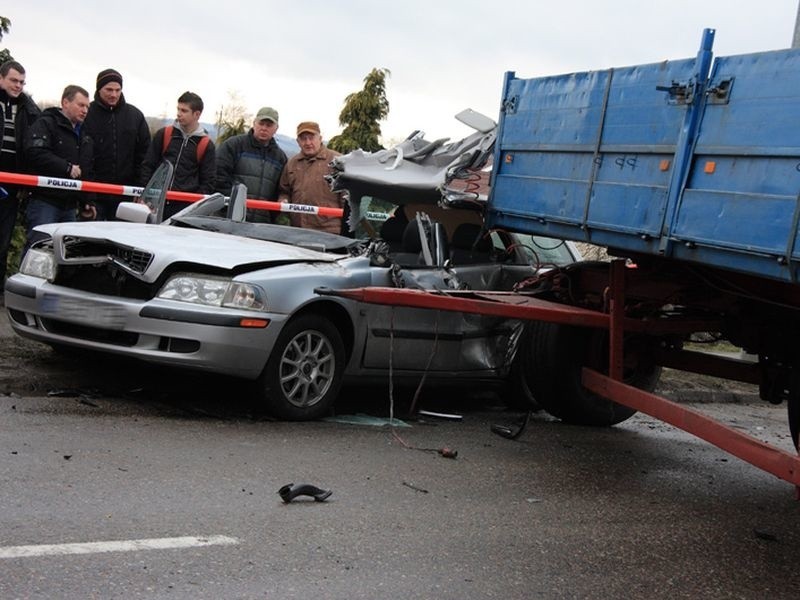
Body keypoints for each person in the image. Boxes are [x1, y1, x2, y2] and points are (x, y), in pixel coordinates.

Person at [24, 85, 94, 252]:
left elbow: (86, 169)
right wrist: (66, 167)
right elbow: (35, 153)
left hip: (70, 206)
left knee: (64, 252)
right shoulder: (46, 124)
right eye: (81, 105)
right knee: (38, 249)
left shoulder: (85, 134)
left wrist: (87, 200)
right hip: (45, 201)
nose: (85, 110)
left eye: (87, 107)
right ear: (65, 102)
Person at [82, 68, 151, 220]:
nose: (114, 94)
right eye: (109, 90)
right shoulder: (87, 113)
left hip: (126, 195)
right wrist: (88, 196)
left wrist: (140, 190)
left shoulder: (135, 116)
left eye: (117, 90)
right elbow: (83, 157)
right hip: (95, 194)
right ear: (99, 89)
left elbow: (145, 156)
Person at [141, 91, 215, 219]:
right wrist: (145, 195)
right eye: (178, 109)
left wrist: (193, 207)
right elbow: (148, 165)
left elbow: (208, 182)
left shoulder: (206, 144)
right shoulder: (164, 134)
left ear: (197, 114)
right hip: (154, 203)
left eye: (184, 110)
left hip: (184, 209)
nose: (179, 114)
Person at [0, 60, 41, 284]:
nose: (18, 86)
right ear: (1, 78)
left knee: (3, 241)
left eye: (22, 82)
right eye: (14, 80)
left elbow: (32, 149)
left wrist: (25, 185)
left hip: (12, 186)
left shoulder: (28, 109)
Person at [215, 106, 287, 223]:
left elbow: (280, 191)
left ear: (276, 128)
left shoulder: (280, 158)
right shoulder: (233, 145)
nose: (264, 128)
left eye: (269, 125)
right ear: (254, 123)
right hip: (228, 218)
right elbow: (218, 177)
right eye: (261, 123)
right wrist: (234, 204)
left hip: (261, 224)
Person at [278, 121, 344, 234]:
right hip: (298, 231)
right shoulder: (292, 163)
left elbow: (347, 198)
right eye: (303, 139)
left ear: (320, 138)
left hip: (331, 232)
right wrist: (283, 200)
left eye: (311, 138)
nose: (308, 142)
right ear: (298, 142)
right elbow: (284, 191)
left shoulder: (338, 161)